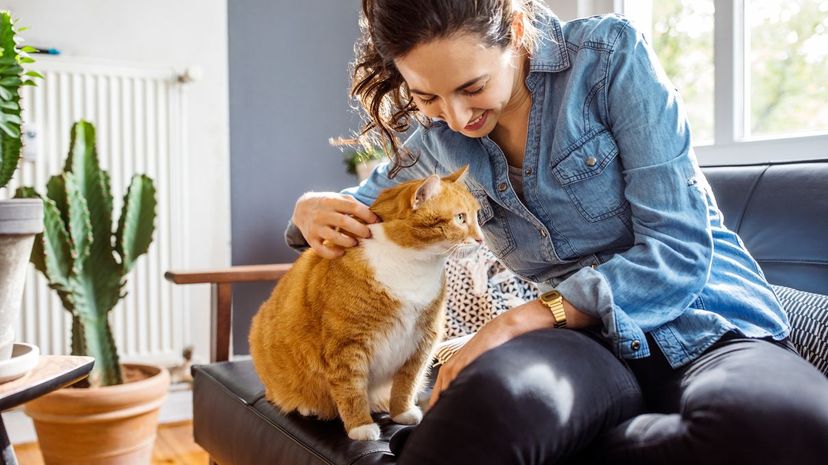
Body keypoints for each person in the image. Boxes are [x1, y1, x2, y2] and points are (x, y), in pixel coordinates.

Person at [286, 0, 828, 463]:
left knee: (783, 425)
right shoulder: (433, 136)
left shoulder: (609, 58)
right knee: (492, 409)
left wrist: (512, 324)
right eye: (427, 97)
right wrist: (309, 209)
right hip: (583, 348)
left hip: (707, 319)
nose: (453, 117)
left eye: (472, 87)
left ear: (516, 30)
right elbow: (357, 206)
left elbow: (678, 249)